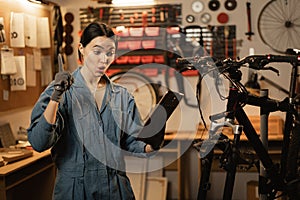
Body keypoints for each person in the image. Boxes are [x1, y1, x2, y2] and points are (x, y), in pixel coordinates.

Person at [27, 21, 155, 200]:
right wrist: (56, 97)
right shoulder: (60, 90)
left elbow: (132, 143)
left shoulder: (122, 96)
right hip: (74, 190)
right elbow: (39, 142)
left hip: (116, 189)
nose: (104, 59)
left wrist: (151, 146)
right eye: (97, 51)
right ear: (81, 49)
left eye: (109, 53)